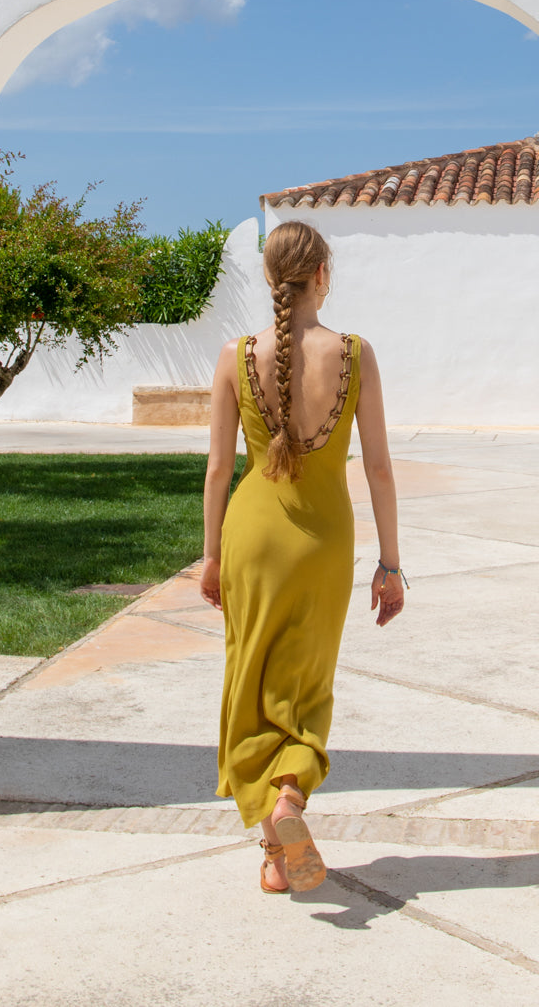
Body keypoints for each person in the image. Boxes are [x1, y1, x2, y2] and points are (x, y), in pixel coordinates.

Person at [200, 220, 406, 894]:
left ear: (269, 277)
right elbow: (379, 468)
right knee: (303, 686)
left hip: (251, 539)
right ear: (322, 275)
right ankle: (288, 798)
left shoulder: (234, 356)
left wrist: (210, 556)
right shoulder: (355, 354)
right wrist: (390, 565)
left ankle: (273, 849)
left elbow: (218, 470)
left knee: (252, 683)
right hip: (324, 544)